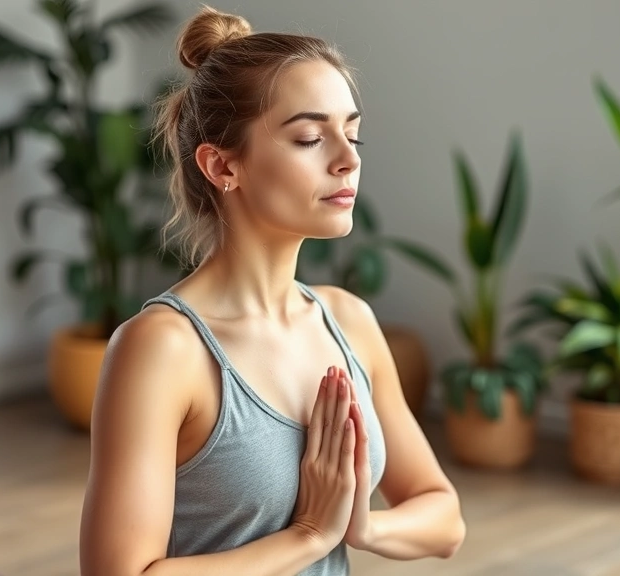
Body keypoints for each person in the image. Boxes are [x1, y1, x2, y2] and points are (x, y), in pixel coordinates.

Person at [79, 5, 465, 575]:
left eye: (353, 134)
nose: (348, 159)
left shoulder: (348, 320)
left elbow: (445, 518)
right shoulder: (163, 348)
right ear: (221, 165)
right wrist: (310, 535)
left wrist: (363, 525)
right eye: (310, 138)